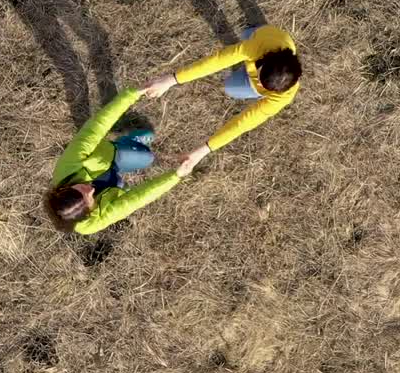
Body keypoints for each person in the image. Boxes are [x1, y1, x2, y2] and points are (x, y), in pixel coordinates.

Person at [144, 25, 301, 173]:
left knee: (231, 88)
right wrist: (171, 80)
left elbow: (243, 123)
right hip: (262, 35)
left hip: (267, 44)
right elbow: (215, 62)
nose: (258, 82)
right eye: (259, 76)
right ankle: (253, 31)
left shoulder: (283, 97)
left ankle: (251, 53)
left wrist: (202, 151)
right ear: (265, 59)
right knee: (246, 35)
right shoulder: (257, 47)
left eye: (264, 87)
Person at [44, 86, 193, 234]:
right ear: (88, 214)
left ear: (63, 189)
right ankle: (119, 186)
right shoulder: (91, 224)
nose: (90, 190)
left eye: (81, 189)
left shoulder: (69, 164)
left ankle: (126, 143)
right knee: (124, 189)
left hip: (109, 158)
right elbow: (135, 200)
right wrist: (175, 176)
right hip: (109, 184)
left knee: (147, 157)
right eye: (89, 200)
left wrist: (132, 94)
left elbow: (97, 126)